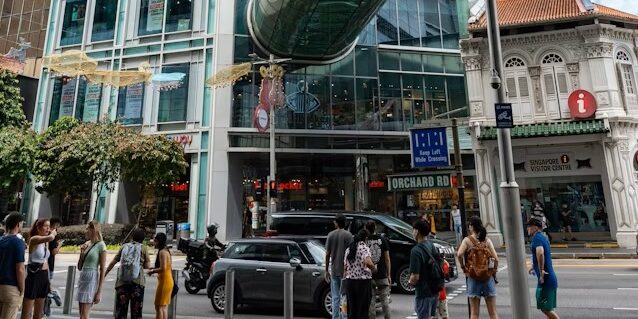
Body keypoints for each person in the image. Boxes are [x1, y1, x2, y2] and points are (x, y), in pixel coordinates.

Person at [457, 216, 499, 319]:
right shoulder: (487, 241)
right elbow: (496, 259)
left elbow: (459, 254)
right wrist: (493, 272)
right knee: (493, 313)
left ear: (471, 227)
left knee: (474, 313)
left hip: (473, 277)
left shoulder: (467, 240)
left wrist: (463, 267)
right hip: (487, 278)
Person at [106, 228, 151, 319]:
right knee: (136, 312)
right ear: (143, 239)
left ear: (132, 237)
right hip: (137, 283)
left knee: (120, 312)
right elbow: (147, 266)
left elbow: (113, 262)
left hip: (122, 283)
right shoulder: (144, 248)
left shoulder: (124, 247)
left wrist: (105, 273)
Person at [21, 219, 56, 319]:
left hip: (43, 275)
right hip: (34, 274)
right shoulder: (34, 239)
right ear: (38, 227)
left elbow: (46, 261)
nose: (48, 229)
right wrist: (53, 233)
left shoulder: (46, 242)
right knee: (27, 311)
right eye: (46, 226)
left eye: (49, 226)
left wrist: (49, 280)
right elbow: (51, 237)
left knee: (39, 312)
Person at [527, 219, 559, 319]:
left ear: (536, 227)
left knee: (545, 308)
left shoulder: (537, 238)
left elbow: (540, 253)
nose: (527, 228)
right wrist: (534, 266)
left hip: (546, 279)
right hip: (548, 278)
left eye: (529, 226)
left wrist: (541, 271)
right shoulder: (543, 237)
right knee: (546, 307)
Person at [408, 219, 439, 319]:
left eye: (413, 230)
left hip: (423, 292)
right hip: (434, 290)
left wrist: (410, 282)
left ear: (417, 232)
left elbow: (415, 277)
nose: (412, 233)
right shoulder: (431, 245)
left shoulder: (416, 251)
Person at [76, 220, 107, 319]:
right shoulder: (87, 244)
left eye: (87, 229)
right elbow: (80, 267)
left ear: (94, 230)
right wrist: (82, 253)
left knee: (85, 315)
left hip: (92, 277)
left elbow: (102, 269)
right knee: (81, 314)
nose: (86, 231)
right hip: (83, 277)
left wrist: (99, 291)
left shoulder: (101, 245)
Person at [325, 214, 353, 319]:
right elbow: (351, 253)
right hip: (345, 271)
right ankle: (344, 317)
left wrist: (326, 270)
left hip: (334, 269)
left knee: (335, 297)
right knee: (344, 297)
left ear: (336, 223)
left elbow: (327, 254)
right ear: (345, 223)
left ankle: (335, 317)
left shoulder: (330, 235)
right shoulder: (348, 235)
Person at [344, 229, 377, 319]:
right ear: (366, 238)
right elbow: (368, 262)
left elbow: (345, 267)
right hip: (363, 283)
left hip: (350, 282)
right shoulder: (363, 248)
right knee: (362, 310)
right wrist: (374, 269)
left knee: (352, 311)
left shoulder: (349, 249)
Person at [0, 212, 26, 319]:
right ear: (18, 225)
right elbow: (20, 268)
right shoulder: (18, 242)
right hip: (11, 286)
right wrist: (22, 288)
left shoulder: (1, 240)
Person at [365, 221, 391, 319]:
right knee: (385, 300)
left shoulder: (365, 241)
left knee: (371, 300)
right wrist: (388, 275)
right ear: (375, 228)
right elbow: (387, 259)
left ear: (366, 228)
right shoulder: (383, 240)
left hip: (369, 275)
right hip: (382, 274)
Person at [148, 232, 173, 319]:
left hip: (164, 282)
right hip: (168, 280)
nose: (154, 243)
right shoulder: (166, 251)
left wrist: (152, 271)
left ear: (159, 241)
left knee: (158, 307)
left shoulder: (162, 252)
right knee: (163, 307)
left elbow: (163, 268)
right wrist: (153, 268)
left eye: (155, 241)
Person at [44, 218, 63, 317]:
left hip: (47, 265)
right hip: (49, 265)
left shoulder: (47, 235)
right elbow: (54, 252)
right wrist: (59, 245)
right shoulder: (52, 237)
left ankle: (47, 308)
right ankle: (54, 294)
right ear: (55, 225)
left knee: (46, 287)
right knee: (47, 287)